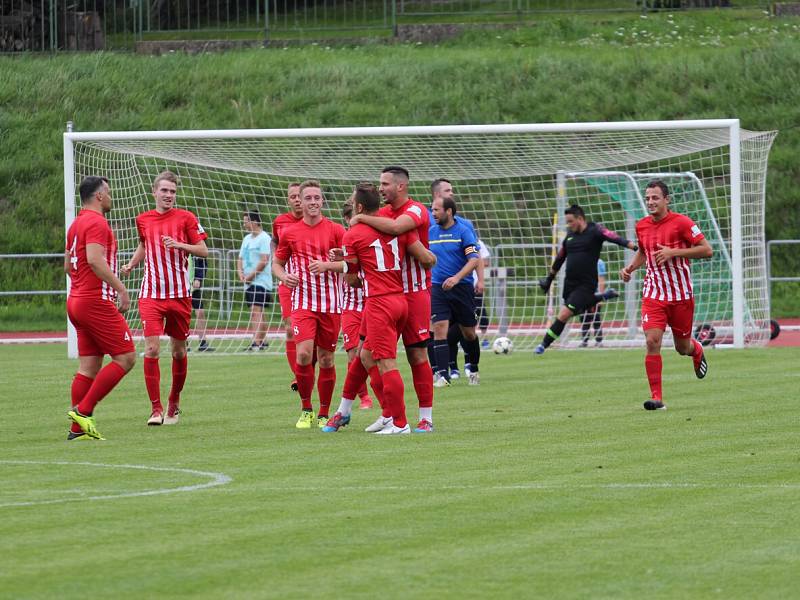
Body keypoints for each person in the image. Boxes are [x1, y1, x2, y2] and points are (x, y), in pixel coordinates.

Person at [325, 183, 436, 434]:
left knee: (391, 361)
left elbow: (353, 279)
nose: (383, 187)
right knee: (364, 355)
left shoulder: (408, 215)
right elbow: (418, 252)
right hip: (397, 298)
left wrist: (348, 263)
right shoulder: (390, 226)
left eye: (386, 182)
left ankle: (402, 422)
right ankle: (352, 412)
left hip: (385, 299)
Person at [121, 171, 209, 426]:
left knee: (179, 351)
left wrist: (180, 245)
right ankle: (155, 409)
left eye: (172, 191)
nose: (169, 195)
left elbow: (203, 250)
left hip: (180, 295)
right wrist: (131, 264)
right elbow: (144, 245)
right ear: (154, 192)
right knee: (151, 348)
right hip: (151, 294)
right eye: (165, 191)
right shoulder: (143, 219)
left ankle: (174, 401)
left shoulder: (186, 218)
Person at [620, 179, 712, 410]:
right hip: (653, 294)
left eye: (655, 198)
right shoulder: (641, 226)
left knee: (682, 348)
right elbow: (644, 251)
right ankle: (657, 398)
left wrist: (674, 252)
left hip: (680, 296)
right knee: (652, 341)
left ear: (666, 200)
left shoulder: (682, 223)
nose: (650, 202)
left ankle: (696, 349)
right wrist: (631, 268)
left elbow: (707, 250)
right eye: (648, 198)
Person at [65, 176, 136, 440]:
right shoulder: (96, 222)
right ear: (99, 196)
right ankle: (83, 412)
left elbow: (67, 266)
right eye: (108, 192)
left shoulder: (76, 224)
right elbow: (95, 260)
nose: (111, 196)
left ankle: (76, 430)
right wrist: (120, 288)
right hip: (95, 301)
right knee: (126, 358)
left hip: (76, 300)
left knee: (89, 367)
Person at [273, 180, 345, 429]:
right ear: (299, 202)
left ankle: (324, 412)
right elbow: (277, 264)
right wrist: (284, 277)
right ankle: (306, 409)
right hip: (302, 301)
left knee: (326, 359)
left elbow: (352, 264)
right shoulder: (290, 233)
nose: (313, 202)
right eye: (308, 198)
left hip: (332, 304)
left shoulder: (336, 230)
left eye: (317, 198)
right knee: (303, 354)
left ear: (322, 201)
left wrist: (332, 263)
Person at [534, 204, 636, 355]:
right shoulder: (569, 237)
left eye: (570, 221)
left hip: (586, 284)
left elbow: (614, 237)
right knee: (575, 311)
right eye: (567, 222)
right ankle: (602, 296)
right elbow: (559, 259)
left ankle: (543, 345)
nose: (569, 225)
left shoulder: (595, 230)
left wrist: (635, 247)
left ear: (580, 218)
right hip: (570, 285)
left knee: (564, 314)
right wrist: (549, 280)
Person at [429, 196, 482, 386]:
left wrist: (457, 278)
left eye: (436, 210)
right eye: (432, 209)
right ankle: (443, 375)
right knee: (439, 329)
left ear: (449, 211)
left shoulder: (463, 231)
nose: (433, 213)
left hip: (462, 288)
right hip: (437, 287)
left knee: (469, 333)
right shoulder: (430, 232)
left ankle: (474, 368)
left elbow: (474, 259)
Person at [338, 199, 373, 410]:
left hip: (373, 303)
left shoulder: (372, 236)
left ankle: (383, 396)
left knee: (372, 354)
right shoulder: (345, 239)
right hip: (351, 305)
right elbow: (345, 271)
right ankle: (364, 398)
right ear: (346, 219)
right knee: (354, 354)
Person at [272, 183, 303, 389]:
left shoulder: (317, 223)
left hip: (312, 284)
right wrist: (279, 268)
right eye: (293, 197)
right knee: (291, 329)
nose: (297, 200)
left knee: (312, 334)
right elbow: (275, 243)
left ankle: (309, 368)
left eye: (299, 196)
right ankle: (299, 377)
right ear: (288, 200)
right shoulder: (280, 222)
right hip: (287, 282)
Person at [447, 236, 491, 376]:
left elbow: (483, 261)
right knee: (449, 329)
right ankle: (452, 368)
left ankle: (469, 364)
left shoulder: (476, 242)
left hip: (470, 289)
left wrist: (479, 279)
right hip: (449, 289)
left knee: (467, 329)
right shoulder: (448, 240)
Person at [238, 210, 273, 351]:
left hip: (261, 281)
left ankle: (256, 342)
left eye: (246, 220)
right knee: (259, 311)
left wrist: (251, 276)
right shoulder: (246, 239)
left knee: (255, 310)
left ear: (255, 222)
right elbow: (240, 259)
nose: (244, 223)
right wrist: (240, 273)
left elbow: (264, 260)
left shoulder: (264, 238)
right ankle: (263, 340)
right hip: (249, 281)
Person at [580, 258, 607, 348]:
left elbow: (601, 280)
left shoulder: (599, 263)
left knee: (596, 318)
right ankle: (584, 341)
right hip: (583, 295)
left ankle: (599, 341)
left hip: (595, 295)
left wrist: (600, 296)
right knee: (584, 319)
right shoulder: (581, 261)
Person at [189, 255, 214, 352]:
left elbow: (203, 263)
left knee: (200, 312)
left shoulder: (196, 245)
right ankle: (183, 343)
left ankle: (203, 342)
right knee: (182, 314)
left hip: (193, 285)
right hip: (180, 285)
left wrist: (198, 278)